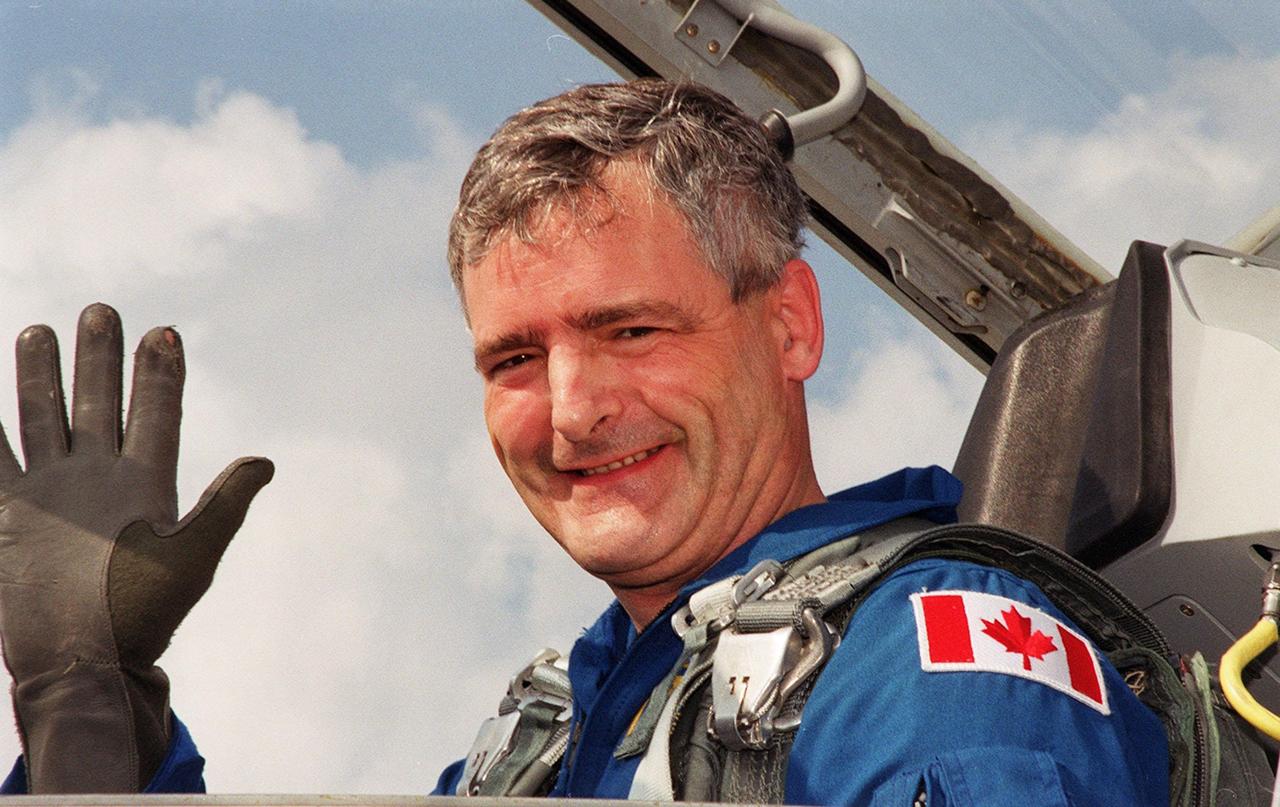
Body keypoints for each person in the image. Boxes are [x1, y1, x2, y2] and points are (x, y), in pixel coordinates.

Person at [0, 79, 1168, 803]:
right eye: (514, 358)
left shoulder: (925, 670)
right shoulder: (548, 742)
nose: (569, 412)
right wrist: (90, 709)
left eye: (630, 329)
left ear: (790, 326)